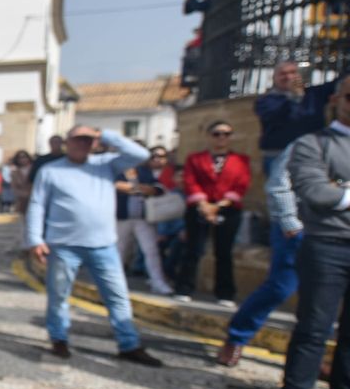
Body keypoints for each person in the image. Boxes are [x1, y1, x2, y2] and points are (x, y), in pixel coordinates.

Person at [25, 126, 163, 366]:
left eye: (88, 140)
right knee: (59, 296)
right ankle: (59, 339)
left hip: (103, 245)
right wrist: (35, 239)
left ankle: (129, 344)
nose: (82, 144)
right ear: (68, 142)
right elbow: (37, 204)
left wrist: (106, 136)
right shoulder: (50, 171)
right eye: (77, 140)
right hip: (63, 244)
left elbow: (140, 155)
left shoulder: (105, 164)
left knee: (117, 296)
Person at [272, 77, 350, 389]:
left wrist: (342, 188)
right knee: (314, 327)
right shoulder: (311, 143)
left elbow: (331, 192)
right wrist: (332, 190)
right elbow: (317, 194)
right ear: (336, 99)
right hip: (327, 245)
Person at [218, 136, 307, 366]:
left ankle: (321, 359)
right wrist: (291, 222)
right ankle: (237, 336)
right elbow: (279, 182)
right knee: (280, 287)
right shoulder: (311, 143)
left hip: (340, 233)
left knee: (327, 298)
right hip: (300, 228)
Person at [174, 121, 252, 305]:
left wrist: (219, 205)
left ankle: (225, 293)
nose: (221, 137)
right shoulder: (195, 159)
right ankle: (184, 288)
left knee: (224, 252)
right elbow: (190, 181)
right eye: (217, 133)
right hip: (199, 207)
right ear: (209, 136)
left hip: (228, 209)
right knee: (193, 250)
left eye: (226, 134)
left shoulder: (241, 160)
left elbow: (241, 184)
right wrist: (204, 204)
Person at [255, 61, 338, 176]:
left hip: (313, 154)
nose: (288, 77)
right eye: (283, 74)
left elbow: (340, 83)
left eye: (293, 72)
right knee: (281, 192)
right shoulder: (266, 100)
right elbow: (276, 117)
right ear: (274, 77)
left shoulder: (314, 94)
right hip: (279, 155)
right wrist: (294, 96)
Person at [114, 149, 175, 295]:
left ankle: (158, 282)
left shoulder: (144, 172)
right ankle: (114, 284)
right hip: (122, 218)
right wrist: (135, 188)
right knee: (119, 252)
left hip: (143, 218)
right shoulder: (116, 171)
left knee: (151, 251)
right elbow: (112, 186)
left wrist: (142, 189)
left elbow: (158, 188)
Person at [9, 150, 35, 215]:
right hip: (22, 201)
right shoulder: (15, 173)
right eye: (20, 158)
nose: (22, 159)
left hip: (35, 199)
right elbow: (14, 188)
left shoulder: (35, 169)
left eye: (24, 157)